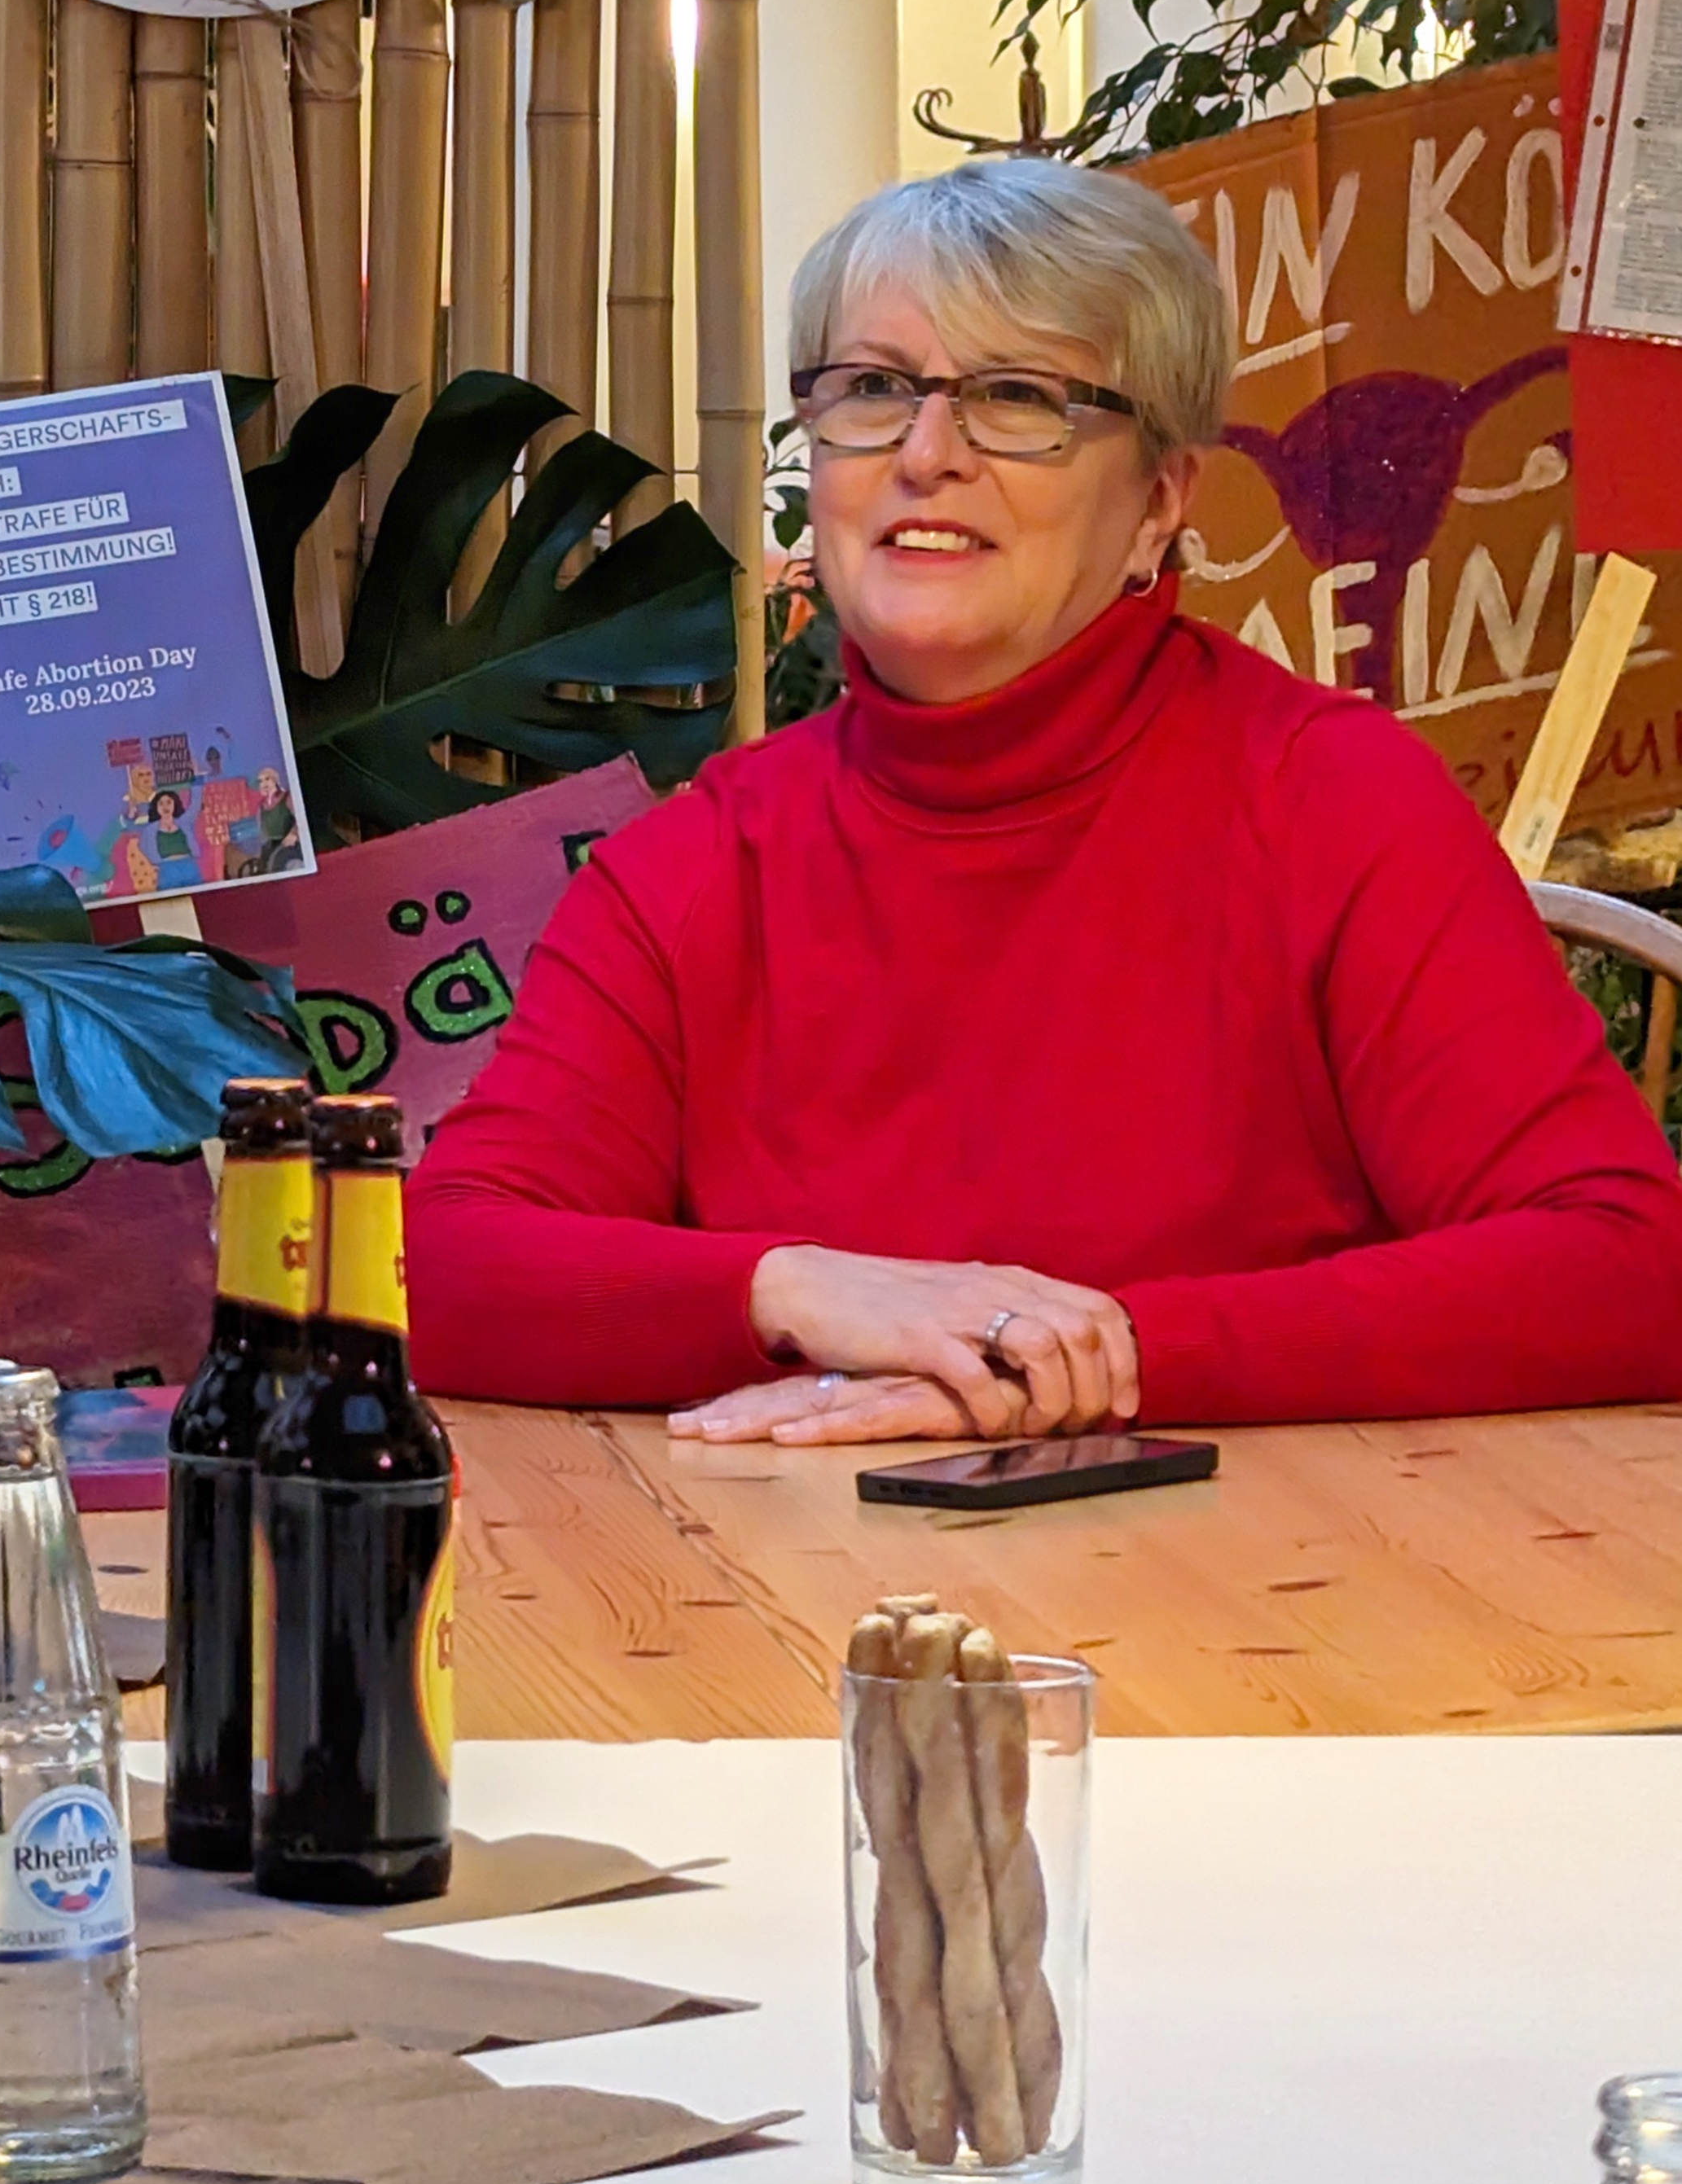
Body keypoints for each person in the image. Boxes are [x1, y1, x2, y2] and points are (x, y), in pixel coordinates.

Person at [407, 156, 1682, 1438]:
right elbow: (438, 1271)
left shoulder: (1331, 802)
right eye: (873, 389)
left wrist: (1104, 1358)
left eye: (1019, 399)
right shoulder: (694, 863)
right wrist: (797, 1290)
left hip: (1282, 1589)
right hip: (788, 1605)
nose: (925, 453)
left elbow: (1630, 1268)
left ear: (1159, 504)